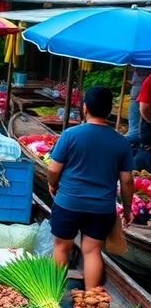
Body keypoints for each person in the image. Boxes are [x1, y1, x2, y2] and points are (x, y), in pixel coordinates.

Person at [48, 87, 134, 289]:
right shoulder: (121, 142)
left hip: (69, 201)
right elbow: (128, 180)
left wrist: (53, 184)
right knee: (92, 250)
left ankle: (54, 295)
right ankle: (91, 299)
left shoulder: (71, 135)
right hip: (102, 207)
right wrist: (128, 210)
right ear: (109, 110)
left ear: (85, 107)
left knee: (62, 246)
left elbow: (53, 168)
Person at [128, 68, 151, 147]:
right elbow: (144, 109)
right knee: (135, 133)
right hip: (139, 97)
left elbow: (144, 109)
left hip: (137, 96)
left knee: (134, 132)